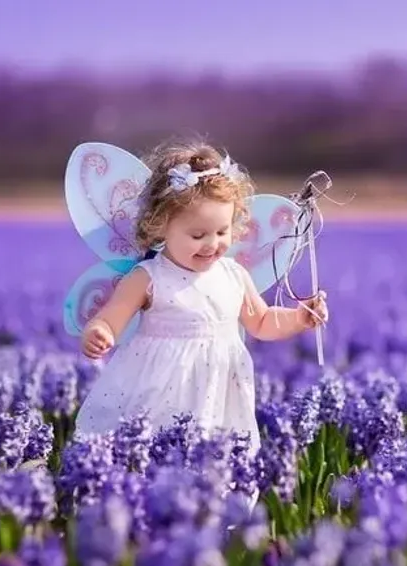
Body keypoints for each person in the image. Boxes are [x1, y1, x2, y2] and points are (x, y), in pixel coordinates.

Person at [73, 138, 329, 458]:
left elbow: (262, 322)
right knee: (154, 453)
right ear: (160, 226)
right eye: (197, 235)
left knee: (217, 461)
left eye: (222, 232)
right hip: (160, 391)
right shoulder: (147, 277)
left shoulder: (233, 275)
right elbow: (111, 317)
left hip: (219, 393)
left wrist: (299, 318)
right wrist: (99, 332)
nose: (211, 244)